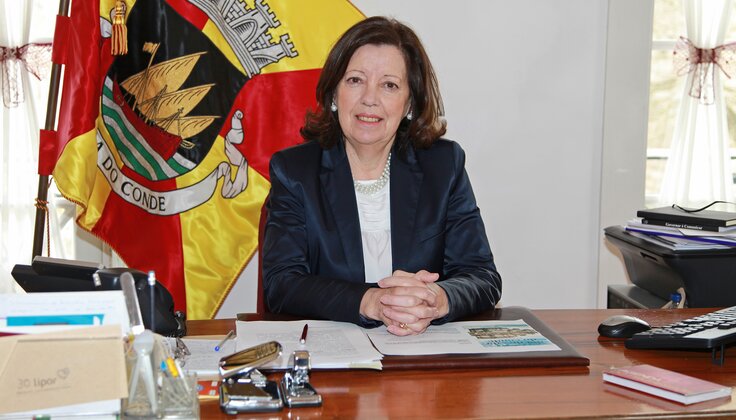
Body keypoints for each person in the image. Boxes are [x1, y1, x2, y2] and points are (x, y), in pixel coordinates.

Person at [262, 16, 501, 336]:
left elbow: (482, 276)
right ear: (333, 94)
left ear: (410, 103)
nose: (370, 98)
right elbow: (281, 285)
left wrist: (436, 299)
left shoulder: (444, 166)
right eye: (355, 80)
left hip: (421, 351)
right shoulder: (295, 171)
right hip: (336, 354)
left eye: (389, 85)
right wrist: (372, 301)